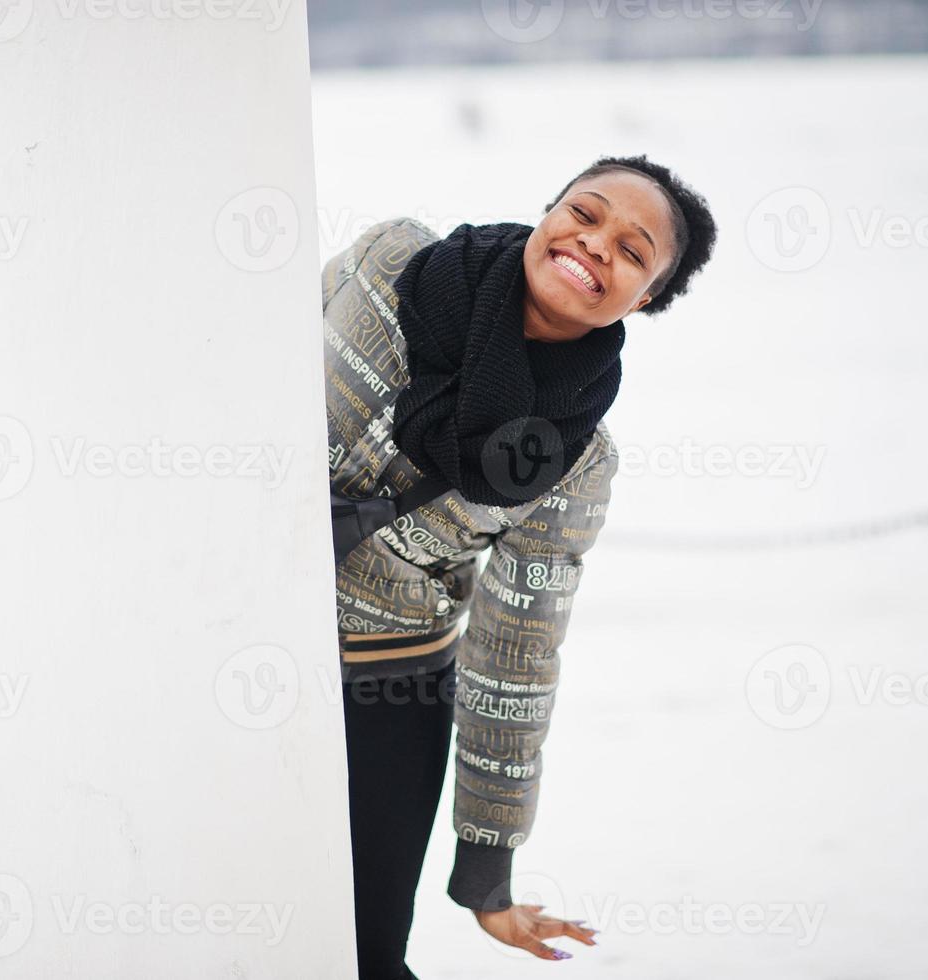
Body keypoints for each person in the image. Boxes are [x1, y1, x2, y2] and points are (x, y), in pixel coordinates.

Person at [321, 154, 718, 979]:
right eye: (585, 212)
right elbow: (231, 368)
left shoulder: (575, 462)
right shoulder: (388, 263)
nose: (595, 244)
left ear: (644, 300)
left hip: (380, 697)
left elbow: (514, 655)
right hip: (212, 640)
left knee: (357, 961)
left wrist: (486, 867)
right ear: (549, 212)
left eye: (634, 250)